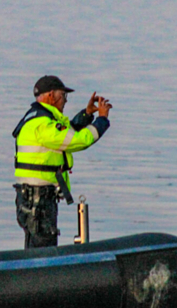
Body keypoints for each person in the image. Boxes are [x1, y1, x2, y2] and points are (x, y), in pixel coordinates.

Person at [12, 75, 112, 249]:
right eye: (63, 96)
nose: (65, 101)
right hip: (38, 200)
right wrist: (102, 120)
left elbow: (69, 130)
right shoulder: (43, 124)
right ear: (51, 95)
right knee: (42, 249)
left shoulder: (41, 119)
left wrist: (87, 114)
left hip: (35, 198)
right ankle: (41, 276)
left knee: (37, 246)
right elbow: (79, 140)